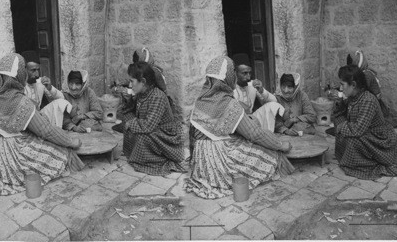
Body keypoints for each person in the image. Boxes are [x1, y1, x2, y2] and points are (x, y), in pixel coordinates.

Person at [0, 53, 84, 196]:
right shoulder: (20, 101)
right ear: (20, 74)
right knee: (60, 151)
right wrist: (71, 141)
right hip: (11, 156)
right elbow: (46, 131)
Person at [186, 56, 294, 199]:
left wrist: (195, 161)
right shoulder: (228, 103)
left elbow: (192, 133)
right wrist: (280, 145)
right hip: (219, 161)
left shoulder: (201, 100)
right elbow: (255, 134)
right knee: (268, 152)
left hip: (201, 161)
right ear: (230, 76)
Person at [333, 64, 397, 180]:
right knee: (343, 133)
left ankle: (364, 161)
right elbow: (337, 114)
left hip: (379, 139)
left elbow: (357, 130)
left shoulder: (368, 100)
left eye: (342, 85)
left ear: (353, 85)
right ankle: (353, 158)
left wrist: (341, 126)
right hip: (364, 132)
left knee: (351, 139)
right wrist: (340, 102)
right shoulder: (353, 96)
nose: (340, 89)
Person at [121, 61, 186, 176]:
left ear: (143, 82)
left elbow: (148, 126)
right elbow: (131, 111)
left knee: (141, 136)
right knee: (126, 118)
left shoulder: (157, 96)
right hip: (151, 127)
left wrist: (131, 124)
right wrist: (128, 100)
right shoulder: (142, 92)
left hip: (165, 135)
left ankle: (155, 158)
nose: (130, 85)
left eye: (132, 81)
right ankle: (137, 154)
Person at [347, 50, 397, 128]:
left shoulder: (366, 74)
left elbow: (361, 91)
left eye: (353, 65)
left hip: (373, 102)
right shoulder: (361, 74)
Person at [21, 51, 71, 127]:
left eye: (38, 70)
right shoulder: (18, 84)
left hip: (39, 117)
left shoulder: (40, 82)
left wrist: (50, 87)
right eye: (33, 70)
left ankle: (57, 131)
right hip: (23, 120)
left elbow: (61, 98)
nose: (37, 74)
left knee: (61, 103)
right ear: (24, 70)